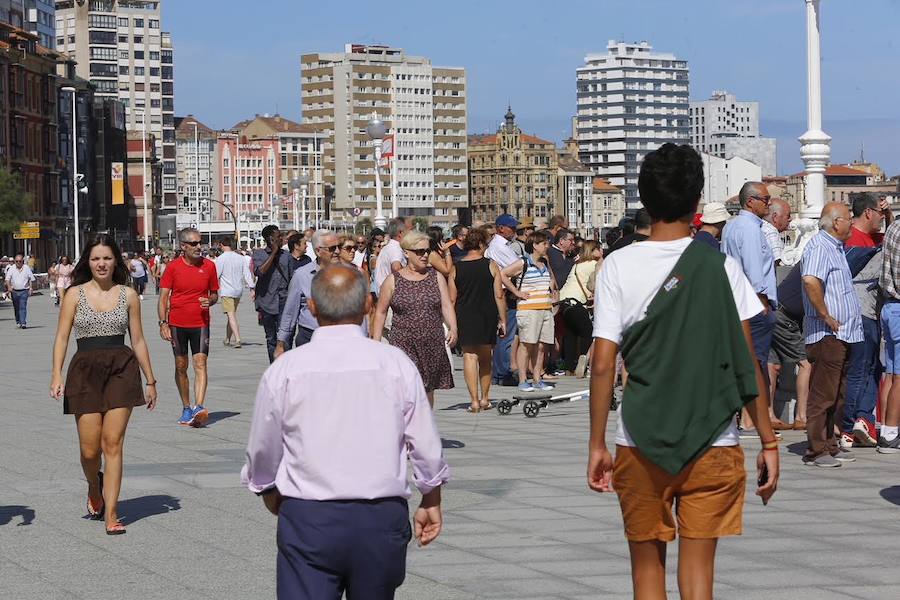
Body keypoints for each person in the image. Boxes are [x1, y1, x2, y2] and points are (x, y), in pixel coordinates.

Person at [587, 143, 778, 600]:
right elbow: (746, 360)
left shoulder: (617, 265)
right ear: (696, 204)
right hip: (712, 437)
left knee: (647, 571)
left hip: (639, 438)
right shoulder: (719, 266)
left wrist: (596, 443)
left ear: (643, 199)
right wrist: (769, 441)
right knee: (699, 579)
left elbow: (602, 363)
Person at [241, 265, 448, 599]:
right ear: (368, 304)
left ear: (311, 306)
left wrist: (266, 487)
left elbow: (263, 446)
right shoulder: (395, 364)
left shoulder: (287, 369)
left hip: (309, 516)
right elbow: (425, 442)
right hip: (380, 515)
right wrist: (431, 496)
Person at [50, 234, 157, 535]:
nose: (101, 263)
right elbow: (61, 337)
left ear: (115, 261)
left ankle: (112, 512)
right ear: (88, 261)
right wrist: (56, 374)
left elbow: (137, 339)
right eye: (96, 258)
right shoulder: (74, 294)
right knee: (88, 450)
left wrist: (151, 379)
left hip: (121, 369)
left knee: (113, 443)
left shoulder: (129, 295)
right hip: (84, 369)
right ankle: (94, 488)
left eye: (107, 258)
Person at [800, 202, 863, 467]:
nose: (852, 223)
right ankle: (817, 449)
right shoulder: (819, 246)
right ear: (836, 222)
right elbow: (810, 280)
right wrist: (825, 314)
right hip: (828, 333)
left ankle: (830, 443)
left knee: (838, 394)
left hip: (844, 333)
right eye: (849, 218)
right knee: (823, 393)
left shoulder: (835, 247)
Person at [721, 181, 784, 432]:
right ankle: (750, 419)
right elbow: (754, 269)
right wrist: (762, 302)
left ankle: (742, 416)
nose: (768, 204)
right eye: (765, 200)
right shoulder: (749, 228)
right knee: (755, 363)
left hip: (737, 302)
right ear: (750, 201)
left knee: (744, 361)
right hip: (754, 304)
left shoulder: (732, 226)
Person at [374, 231, 457, 407]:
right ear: (406, 253)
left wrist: (453, 328)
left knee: (427, 389)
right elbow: (380, 311)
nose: (425, 255)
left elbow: (447, 305)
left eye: (427, 251)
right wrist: (376, 342)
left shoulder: (436, 277)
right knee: (407, 386)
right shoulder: (393, 280)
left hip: (432, 341)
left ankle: (424, 426)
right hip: (403, 343)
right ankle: (404, 427)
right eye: (419, 251)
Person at [158, 228, 219, 427]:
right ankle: (186, 407)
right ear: (183, 246)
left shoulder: (209, 266)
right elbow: (163, 298)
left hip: (201, 323)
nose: (198, 247)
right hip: (177, 323)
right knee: (181, 366)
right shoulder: (173, 267)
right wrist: (163, 323)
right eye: (193, 244)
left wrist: (209, 301)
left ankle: (199, 406)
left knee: (200, 363)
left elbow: (215, 294)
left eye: (199, 243)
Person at [841, 194, 887, 448]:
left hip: (854, 311)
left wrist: (888, 215)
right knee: (864, 369)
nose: (882, 218)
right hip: (865, 312)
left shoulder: (869, 238)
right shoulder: (855, 241)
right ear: (868, 212)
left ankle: (856, 423)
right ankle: (857, 423)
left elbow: (891, 237)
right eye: (880, 214)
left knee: (864, 368)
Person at [448, 227, 507, 412]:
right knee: (485, 357)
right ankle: (485, 398)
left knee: (469, 356)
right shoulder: (491, 265)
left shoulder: (456, 268)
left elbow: (451, 299)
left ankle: (473, 400)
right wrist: (503, 320)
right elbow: (499, 295)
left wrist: (452, 324)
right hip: (486, 315)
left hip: (464, 315)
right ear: (481, 244)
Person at [275, 230, 342, 356]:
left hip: (340, 338)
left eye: (339, 246)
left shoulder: (348, 274)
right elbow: (290, 311)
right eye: (332, 248)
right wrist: (281, 343)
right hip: (310, 337)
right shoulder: (302, 275)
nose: (337, 251)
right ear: (318, 251)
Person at [510, 231, 557, 392]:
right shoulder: (523, 262)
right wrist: (517, 292)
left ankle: (537, 378)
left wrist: (552, 289)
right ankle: (523, 379)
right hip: (528, 309)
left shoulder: (544, 261)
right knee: (526, 344)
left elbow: (550, 278)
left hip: (545, 308)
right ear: (535, 245)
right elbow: (502, 274)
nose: (547, 246)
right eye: (544, 243)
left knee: (542, 346)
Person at [486, 214, 528, 386]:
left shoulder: (501, 245)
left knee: (503, 334)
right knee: (506, 334)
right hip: (504, 293)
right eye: (511, 227)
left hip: (501, 292)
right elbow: (519, 267)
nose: (514, 230)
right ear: (500, 228)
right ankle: (502, 374)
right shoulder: (500, 246)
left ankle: (499, 372)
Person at [559, 240, 602, 378]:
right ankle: (582, 360)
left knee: (571, 334)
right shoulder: (594, 264)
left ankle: (569, 367)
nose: (601, 251)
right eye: (599, 249)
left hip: (564, 301)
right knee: (587, 332)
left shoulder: (577, 265)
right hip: (577, 302)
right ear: (592, 250)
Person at [252, 225, 291, 363]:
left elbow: (291, 277)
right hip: (266, 302)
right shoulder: (258, 254)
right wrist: (273, 253)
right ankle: (274, 366)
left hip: (284, 301)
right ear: (270, 239)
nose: (282, 239)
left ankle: (285, 366)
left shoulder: (286, 256)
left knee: (285, 336)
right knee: (271, 338)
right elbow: (260, 272)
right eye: (279, 236)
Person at [879, 216, 900, 453]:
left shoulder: (894, 225)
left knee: (892, 374)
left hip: (889, 306)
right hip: (899, 306)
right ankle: (891, 433)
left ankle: (885, 429)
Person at [215, 236, 254, 349]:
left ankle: (237, 339)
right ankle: (227, 338)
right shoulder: (240, 258)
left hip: (227, 290)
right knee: (231, 314)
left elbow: (216, 275)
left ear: (222, 245)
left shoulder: (221, 258)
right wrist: (252, 287)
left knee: (231, 314)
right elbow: (247, 274)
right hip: (238, 290)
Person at [6, 253, 35, 329]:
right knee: (16, 307)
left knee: (23, 306)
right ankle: (18, 321)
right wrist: (9, 287)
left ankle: (23, 323)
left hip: (24, 291)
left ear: (23, 261)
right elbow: (7, 279)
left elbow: (30, 278)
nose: (18, 263)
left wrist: (31, 288)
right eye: (17, 261)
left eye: (20, 261)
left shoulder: (26, 268)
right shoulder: (11, 268)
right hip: (14, 291)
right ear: (15, 261)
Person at [761, 198, 791, 266]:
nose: (790, 219)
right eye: (788, 215)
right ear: (775, 217)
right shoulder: (771, 232)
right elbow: (780, 263)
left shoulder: (760, 227)